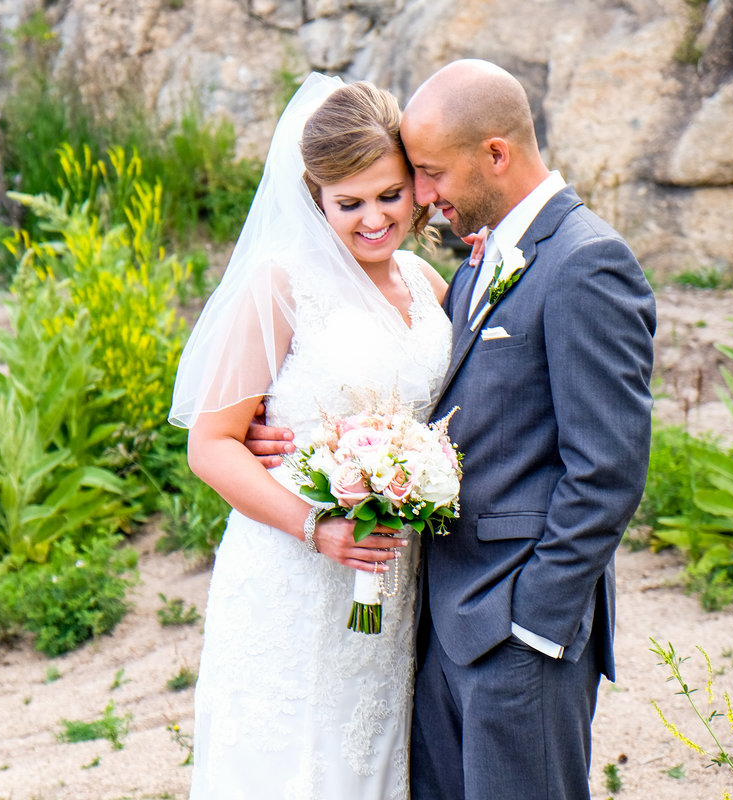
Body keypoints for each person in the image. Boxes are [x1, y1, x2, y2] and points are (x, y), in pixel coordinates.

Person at [246, 59, 657, 800]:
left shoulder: (587, 264)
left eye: (427, 174)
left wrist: (534, 626)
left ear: (495, 154)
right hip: (435, 621)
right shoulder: (473, 265)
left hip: (516, 631)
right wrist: (279, 427)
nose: (423, 199)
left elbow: (608, 469)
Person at [168, 73, 453, 799]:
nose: (373, 219)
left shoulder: (428, 286)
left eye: (390, 194)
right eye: (348, 203)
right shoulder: (282, 286)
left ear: (414, 184)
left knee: (365, 758)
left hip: (390, 574)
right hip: (293, 576)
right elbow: (212, 445)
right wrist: (315, 525)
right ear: (315, 198)